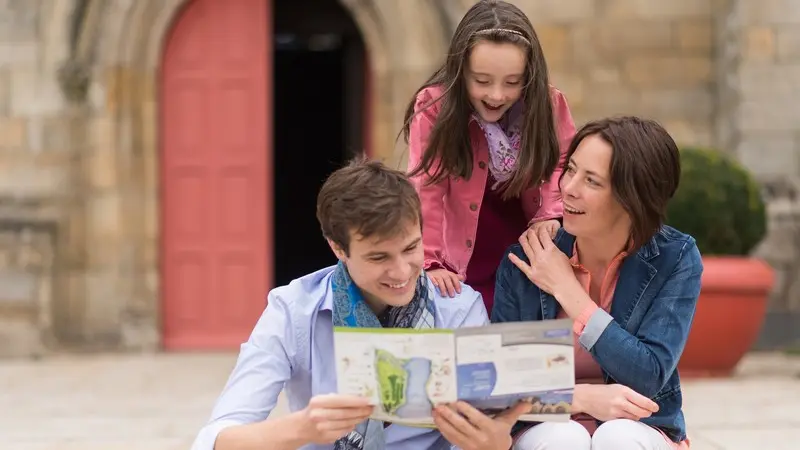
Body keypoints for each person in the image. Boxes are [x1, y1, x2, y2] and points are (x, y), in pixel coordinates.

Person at [191, 157, 531, 450]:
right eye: (379, 256)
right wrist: (304, 428)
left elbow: (485, 431)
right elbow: (216, 439)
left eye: (411, 249)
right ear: (338, 249)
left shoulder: (459, 308)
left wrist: (495, 443)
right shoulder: (292, 310)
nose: (401, 271)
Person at [492, 117, 701, 450]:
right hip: (544, 424)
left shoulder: (674, 259)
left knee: (618, 437)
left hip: (639, 425)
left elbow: (647, 376)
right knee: (563, 438)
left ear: (633, 198)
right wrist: (582, 398)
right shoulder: (528, 258)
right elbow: (502, 383)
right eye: (570, 170)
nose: (569, 188)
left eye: (592, 181)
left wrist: (569, 292)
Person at [401, 0, 576, 314]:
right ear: (460, 70)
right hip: (460, 259)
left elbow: (563, 161)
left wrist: (548, 214)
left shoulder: (548, 103)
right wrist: (431, 261)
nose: (496, 95)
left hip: (525, 254)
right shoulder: (433, 106)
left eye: (512, 82)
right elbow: (426, 186)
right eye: (481, 81)